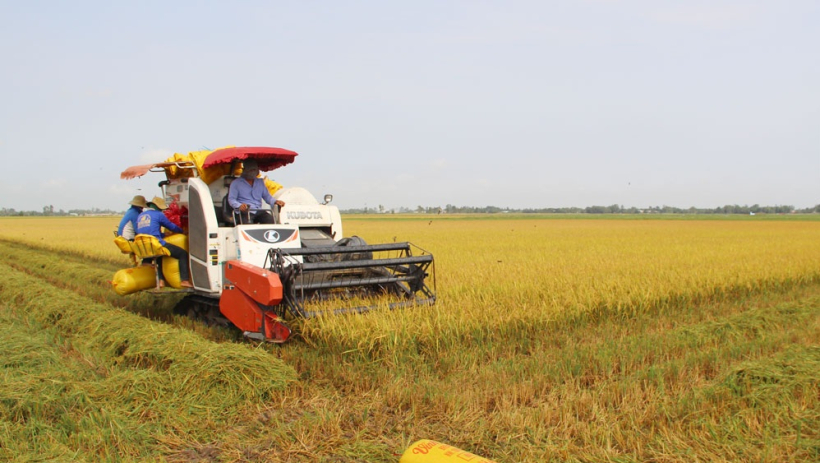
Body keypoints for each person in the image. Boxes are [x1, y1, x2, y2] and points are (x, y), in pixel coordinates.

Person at [136, 196, 193, 288]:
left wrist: (163, 235)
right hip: (156, 244)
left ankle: (161, 281)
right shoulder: (158, 214)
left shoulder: (141, 216)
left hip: (145, 247)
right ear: (158, 207)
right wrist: (182, 231)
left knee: (159, 256)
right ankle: (185, 280)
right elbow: (171, 226)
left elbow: (147, 231)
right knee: (182, 254)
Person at [227, 159, 285, 224]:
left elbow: (267, 197)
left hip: (258, 210)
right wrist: (239, 206)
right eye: (251, 170)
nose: (253, 172)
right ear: (245, 170)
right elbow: (231, 199)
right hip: (244, 212)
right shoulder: (236, 183)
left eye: (255, 170)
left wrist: (276, 201)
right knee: (248, 224)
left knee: (270, 220)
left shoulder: (260, 182)